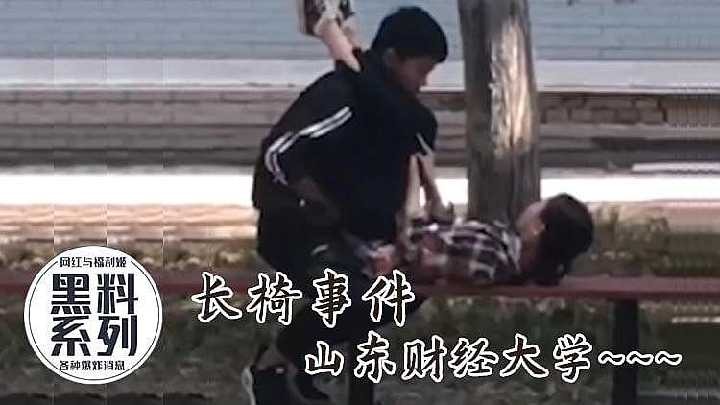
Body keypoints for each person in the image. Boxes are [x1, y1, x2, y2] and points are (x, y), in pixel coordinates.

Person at [249, 6, 450, 404]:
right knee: (346, 294)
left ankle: (297, 368)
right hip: (297, 228)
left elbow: (402, 177)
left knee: (408, 290)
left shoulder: (397, 115)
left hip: (360, 238)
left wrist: (400, 238)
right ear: (392, 59)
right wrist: (319, 203)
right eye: (421, 70)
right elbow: (277, 154)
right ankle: (270, 367)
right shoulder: (339, 97)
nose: (424, 83)